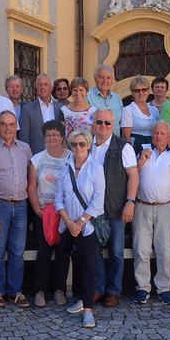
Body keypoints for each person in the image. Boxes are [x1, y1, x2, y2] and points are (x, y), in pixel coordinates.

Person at [0, 111, 32, 308]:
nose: (7, 128)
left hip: (21, 207)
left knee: (18, 252)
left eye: (11, 124)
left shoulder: (25, 149)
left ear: (16, 126)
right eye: (3, 124)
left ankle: (15, 291)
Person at [89, 107, 138, 308]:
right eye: (99, 122)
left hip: (116, 207)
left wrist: (130, 202)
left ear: (114, 125)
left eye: (107, 123)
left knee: (117, 252)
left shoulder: (123, 146)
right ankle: (98, 289)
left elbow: (134, 175)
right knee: (95, 252)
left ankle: (113, 291)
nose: (103, 126)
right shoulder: (85, 144)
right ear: (93, 124)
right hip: (92, 210)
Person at [132, 121, 170, 305]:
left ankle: (164, 288)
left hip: (167, 207)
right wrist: (141, 161)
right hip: (142, 206)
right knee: (141, 249)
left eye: (162, 133)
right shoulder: (143, 152)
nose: (158, 136)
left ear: (168, 136)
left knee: (164, 250)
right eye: (155, 133)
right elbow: (131, 177)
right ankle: (142, 287)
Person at [56, 129, 105, 328]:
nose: (78, 148)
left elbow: (98, 200)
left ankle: (88, 311)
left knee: (88, 268)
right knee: (74, 264)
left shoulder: (96, 168)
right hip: (68, 226)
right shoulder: (64, 168)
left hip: (88, 228)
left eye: (82, 144)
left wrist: (81, 222)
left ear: (88, 145)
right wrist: (68, 221)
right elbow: (58, 199)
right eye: (74, 144)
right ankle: (81, 300)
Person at [27, 120, 71, 308]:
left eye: (55, 134)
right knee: (44, 253)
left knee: (63, 253)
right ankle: (40, 291)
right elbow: (31, 186)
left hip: (65, 214)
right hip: (44, 212)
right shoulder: (37, 159)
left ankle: (59, 290)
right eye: (48, 134)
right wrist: (38, 210)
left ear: (62, 136)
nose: (52, 137)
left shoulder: (71, 157)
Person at [19, 73, 62, 155]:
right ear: (36, 88)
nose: (42, 87)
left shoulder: (61, 109)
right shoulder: (27, 109)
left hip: (57, 155)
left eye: (45, 84)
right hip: (36, 156)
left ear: (51, 88)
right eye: (40, 85)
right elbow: (24, 138)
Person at [121, 76, 160, 155]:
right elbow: (125, 136)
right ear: (132, 93)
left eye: (144, 90)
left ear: (148, 91)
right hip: (135, 146)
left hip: (152, 146)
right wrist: (129, 154)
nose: (141, 93)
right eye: (137, 90)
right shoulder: (128, 110)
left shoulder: (154, 110)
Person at [87, 65, 124, 136]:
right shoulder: (87, 96)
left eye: (108, 78)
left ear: (113, 80)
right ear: (95, 78)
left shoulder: (117, 98)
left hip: (115, 143)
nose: (105, 81)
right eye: (101, 77)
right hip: (95, 142)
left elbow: (121, 123)